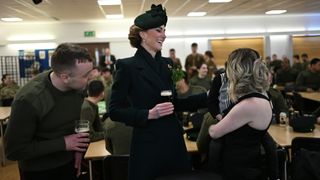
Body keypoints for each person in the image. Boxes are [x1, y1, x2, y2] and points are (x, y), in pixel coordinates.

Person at [109, 4, 207, 180]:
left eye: (164, 30)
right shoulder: (127, 66)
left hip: (173, 139)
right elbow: (114, 110)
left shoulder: (167, 63)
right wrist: (148, 114)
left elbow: (173, 104)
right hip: (148, 143)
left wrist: (207, 97)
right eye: (158, 30)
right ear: (143, 34)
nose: (164, 35)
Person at [4, 43, 92, 180]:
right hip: (39, 171)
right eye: (85, 75)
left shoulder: (78, 87)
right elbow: (14, 151)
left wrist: (79, 150)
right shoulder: (29, 100)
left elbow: (77, 119)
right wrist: (64, 143)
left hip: (70, 163)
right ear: (65, 77)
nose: (90, 79)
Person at [209, 48, 272, 180]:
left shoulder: (248, 105)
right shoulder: (263, 98)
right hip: (250, 165)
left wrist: (211, 126)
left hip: (239, 171)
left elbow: (215, 132)